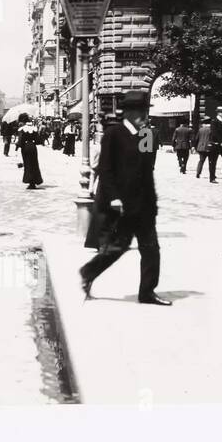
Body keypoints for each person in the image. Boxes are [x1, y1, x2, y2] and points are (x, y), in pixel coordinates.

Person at [79, 90, 170, 306]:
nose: (142, 115)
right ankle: (88, 272)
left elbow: (147, 169)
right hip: (123, 205)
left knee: (151, 250)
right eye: (137, 111)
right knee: (118, 247)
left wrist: (153, 201)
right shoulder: (113, 134)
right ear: (126, 113)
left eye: (144, 111)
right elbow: (106, 169)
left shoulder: (146, 135)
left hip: (144, 204)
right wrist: (113, 198)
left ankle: (147, 292)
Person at [16, 113, 43, 189]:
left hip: (25, 147)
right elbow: (38, 140)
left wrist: (17, 146)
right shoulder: (34, 128)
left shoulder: (22, 129)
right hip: (33, 147)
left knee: (27, 164)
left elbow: (20, 141)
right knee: (34, 164)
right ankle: (34, 181)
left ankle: (30, 181)